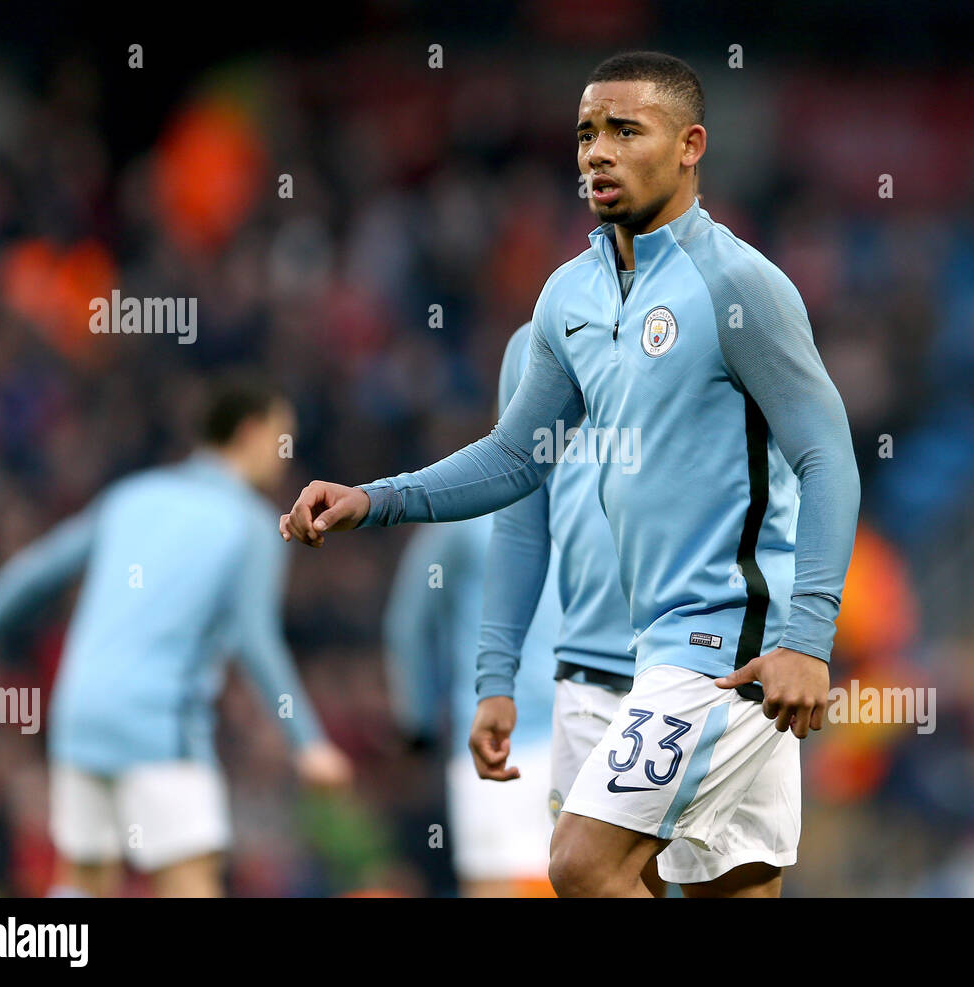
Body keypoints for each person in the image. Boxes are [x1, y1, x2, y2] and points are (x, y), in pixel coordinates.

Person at [281, 51, 859, 898]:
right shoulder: (568, 299)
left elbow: (828, 455)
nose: (598, 151)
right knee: (723, 891)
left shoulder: (741, 286)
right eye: (588, 132)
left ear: (691, 144)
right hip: (649, 643)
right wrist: (376, 499)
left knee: (583, 865)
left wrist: (810, 635)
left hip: (730, 643)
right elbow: (518, 460)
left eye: (627, 130)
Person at [0, 376, 351, 897]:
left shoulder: (132, 496)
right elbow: (255, 637)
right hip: (159, 722)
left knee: (84, 881)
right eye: (281, 438)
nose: (285, 457)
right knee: (189, 879)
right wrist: (308, 740)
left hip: (81, 712)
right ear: (249, 433)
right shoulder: (250, 524)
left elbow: (41, 567)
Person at [469, 321, 803, 897]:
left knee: (713, 886)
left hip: (718, 667)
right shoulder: (534, 343)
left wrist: (805, 637)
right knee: (592, 873)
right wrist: (496, 676)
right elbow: (520, 523)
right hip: (591, 673)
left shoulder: (734, 314)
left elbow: (813, 472)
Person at [382, 512, 559, 896]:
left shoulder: (465, 509)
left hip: (492, 745)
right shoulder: (599, 496)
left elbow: (409, 622)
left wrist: (418, 722)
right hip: (595, 732)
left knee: (495, 886)